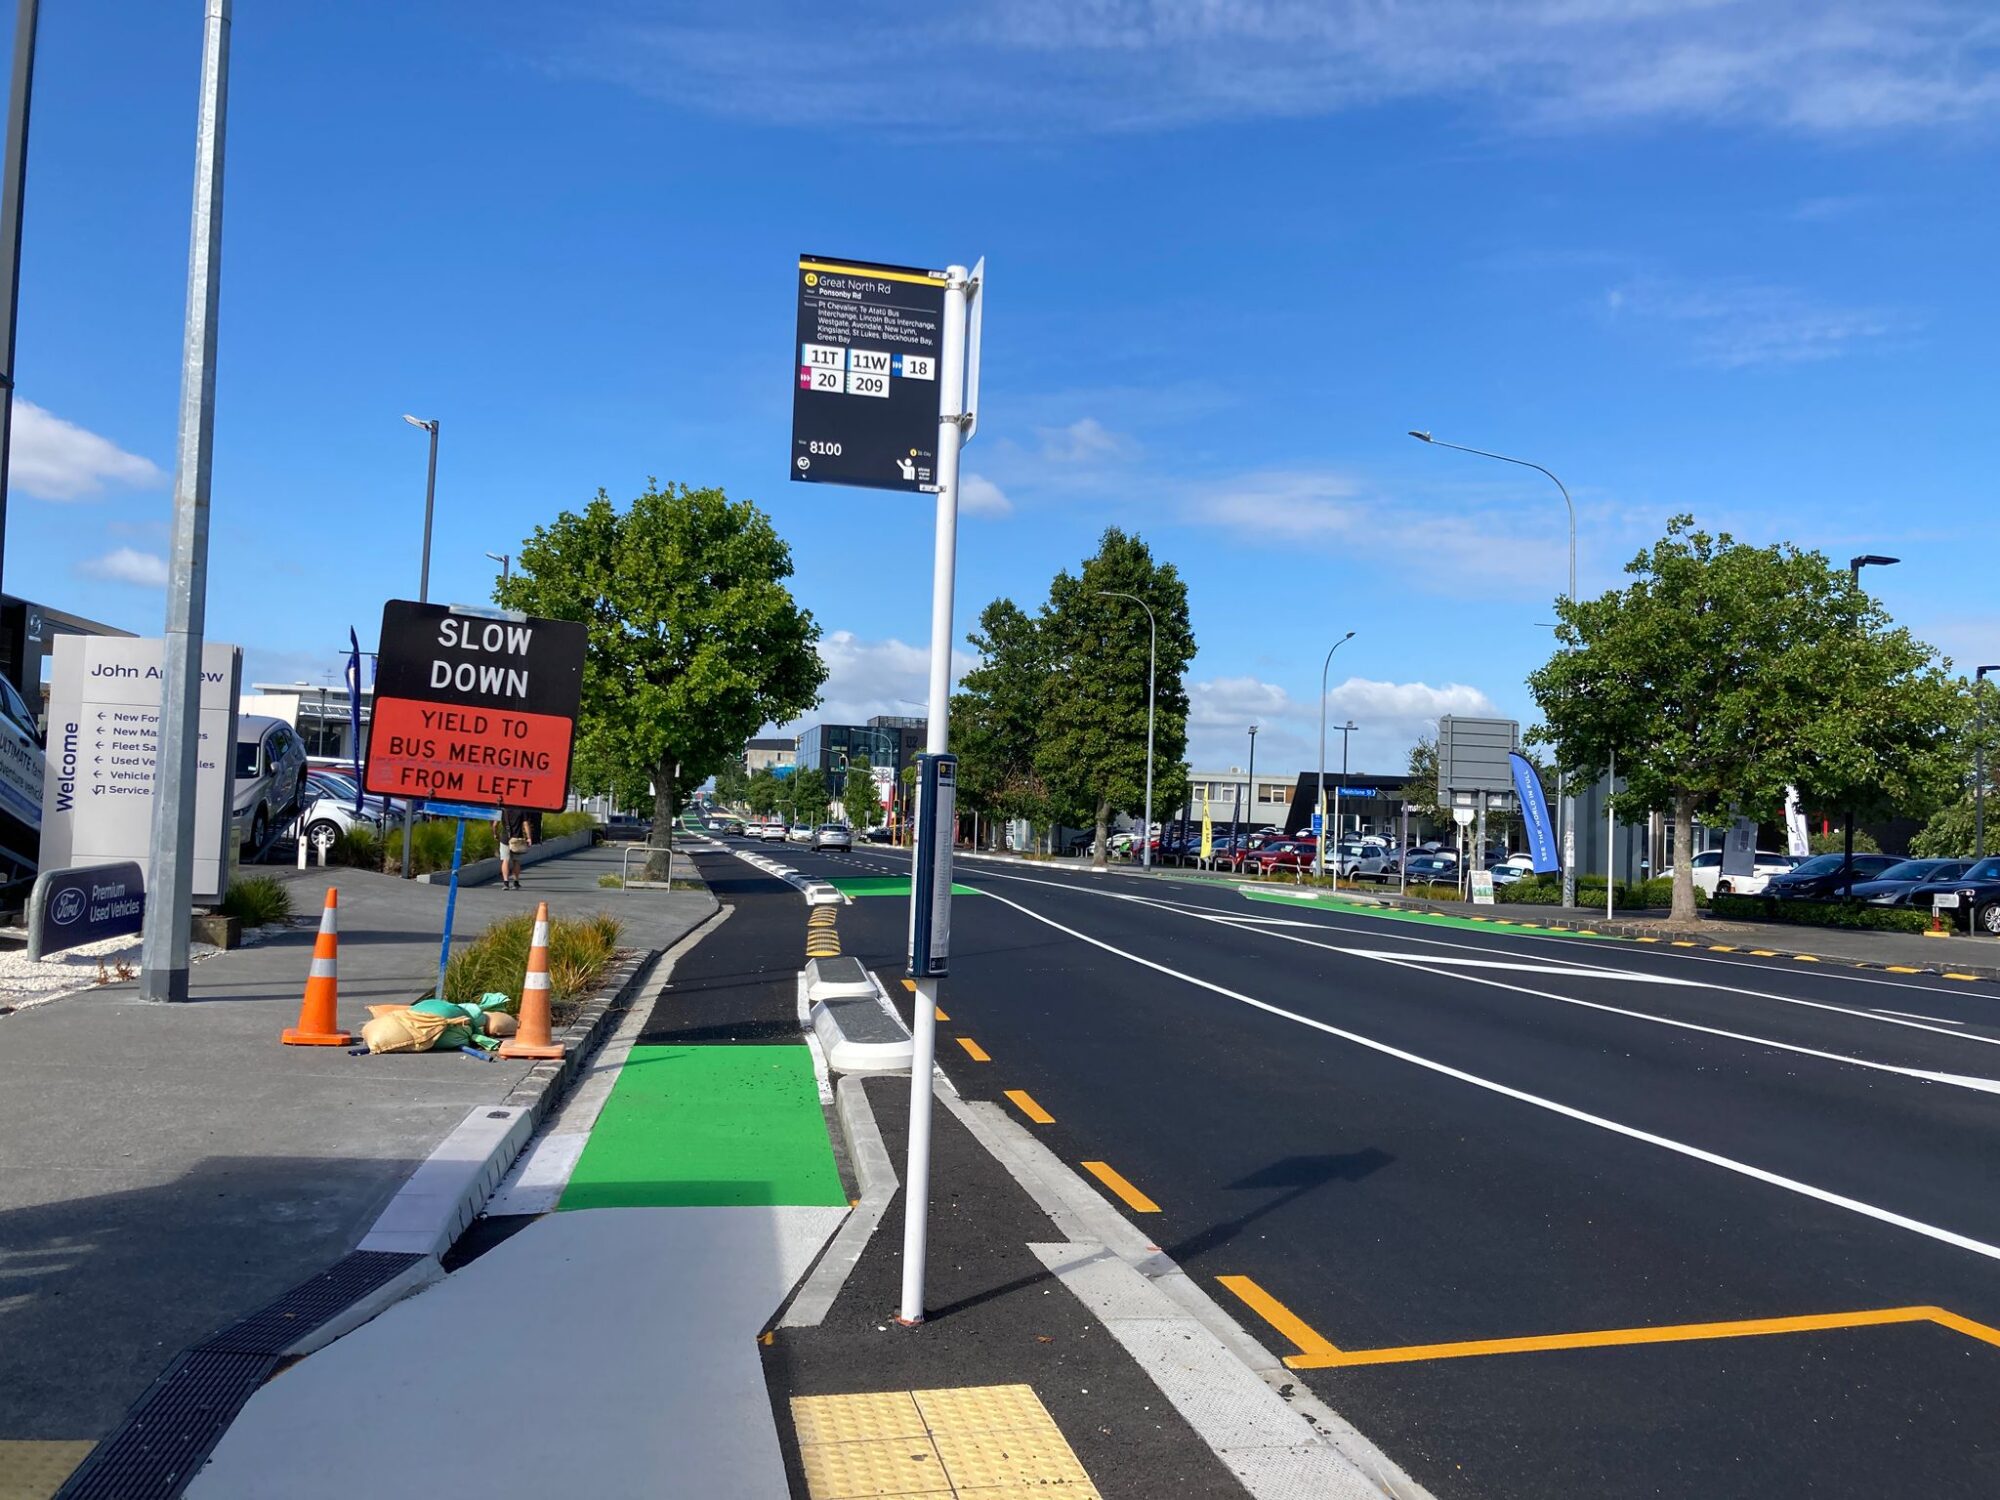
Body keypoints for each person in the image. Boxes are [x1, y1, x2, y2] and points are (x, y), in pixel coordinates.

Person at [495, 804, 538, 890]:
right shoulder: (521, 809)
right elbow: (526, 824)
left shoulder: (503, 809)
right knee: (516, 861)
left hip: (505, 838)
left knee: (505, 860)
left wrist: (495, 833)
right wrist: (529, 837)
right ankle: (516, 882)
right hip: (517, 838)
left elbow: (495, 824)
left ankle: (506, 883)